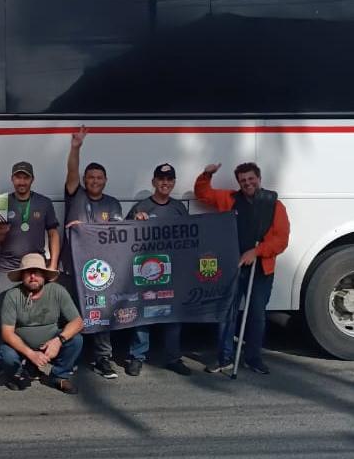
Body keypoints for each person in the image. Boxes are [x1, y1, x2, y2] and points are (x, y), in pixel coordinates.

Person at [195, 162, 290, 375]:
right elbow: (203, 194)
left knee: (257, 315)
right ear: (238, 182)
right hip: (233, 267)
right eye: (243, 180)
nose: (247, 183)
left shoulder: (274, 204)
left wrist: (255, 252)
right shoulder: (230, 199)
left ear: (259, 178)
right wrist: (207, 174)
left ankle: (253, 358)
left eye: (251, 179)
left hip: (260, 269)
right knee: (227, 313)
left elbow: (281, 240)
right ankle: (224, 358)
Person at [64, 127, 123, 380]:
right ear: (84, 180)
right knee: (72, 313)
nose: (95, 181)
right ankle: (71, 357)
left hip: (101, 272)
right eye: (91, 177)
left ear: (105, 180)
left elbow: (121, 235)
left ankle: (103, 358)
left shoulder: (113, 203)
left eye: (99, 178)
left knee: (101, 314)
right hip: (73, 267)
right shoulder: (74, 194)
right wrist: (76, 147)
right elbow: (72, 172)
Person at [124, 163, 192, 377]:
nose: (165, 183)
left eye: (170, 179)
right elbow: (123, 236)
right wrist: (136, 221)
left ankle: (173, 358)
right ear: (154, 182)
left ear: (173, 183)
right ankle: (137, 357)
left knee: (174, 315)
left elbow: (190, 238)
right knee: (143, 314)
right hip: (147, 270)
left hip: (172, 271)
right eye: (161, 179)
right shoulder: (142, 206)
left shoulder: (180, 208)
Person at [0, 161, 60, 359]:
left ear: (32, 179)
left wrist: (52, 264)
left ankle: (38, 357)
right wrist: (0, 232)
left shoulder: (44, 203)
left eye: (25, 177)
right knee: (2, 314)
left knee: (39, 314)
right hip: (7, 267)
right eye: (18, 177)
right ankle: (1, 361)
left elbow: (53, 234)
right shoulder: (2, 202)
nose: (21, 181)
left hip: (35, 268)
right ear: (12, 179)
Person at [0, 253, 84, 394]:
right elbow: (7, 333)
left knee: (76, 340)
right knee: (6, 355)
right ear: (21, 276)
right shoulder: (12, 295)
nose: (33, 277)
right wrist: (31, 354)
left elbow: (78, 322)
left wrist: (58, 341)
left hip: (51, 342)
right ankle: (20, 372)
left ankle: (59, 375)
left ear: (44, 275)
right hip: (22, 346)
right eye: (28, 273)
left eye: (37, 272)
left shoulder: (57, 290)